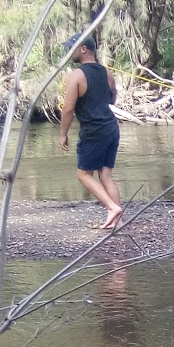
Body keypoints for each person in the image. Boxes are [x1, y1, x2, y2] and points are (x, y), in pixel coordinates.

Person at [59, 34, 123, 230]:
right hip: (111, 128)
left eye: (73, 48)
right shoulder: (107, 73)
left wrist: (63, 134)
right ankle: (117, 222)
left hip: (94, 131)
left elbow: (68, 108)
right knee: (105, 175)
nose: (70, 52)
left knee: (84, 174)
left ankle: (112, 208)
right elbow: (112, 98)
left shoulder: (76, 75)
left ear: (84, 49)